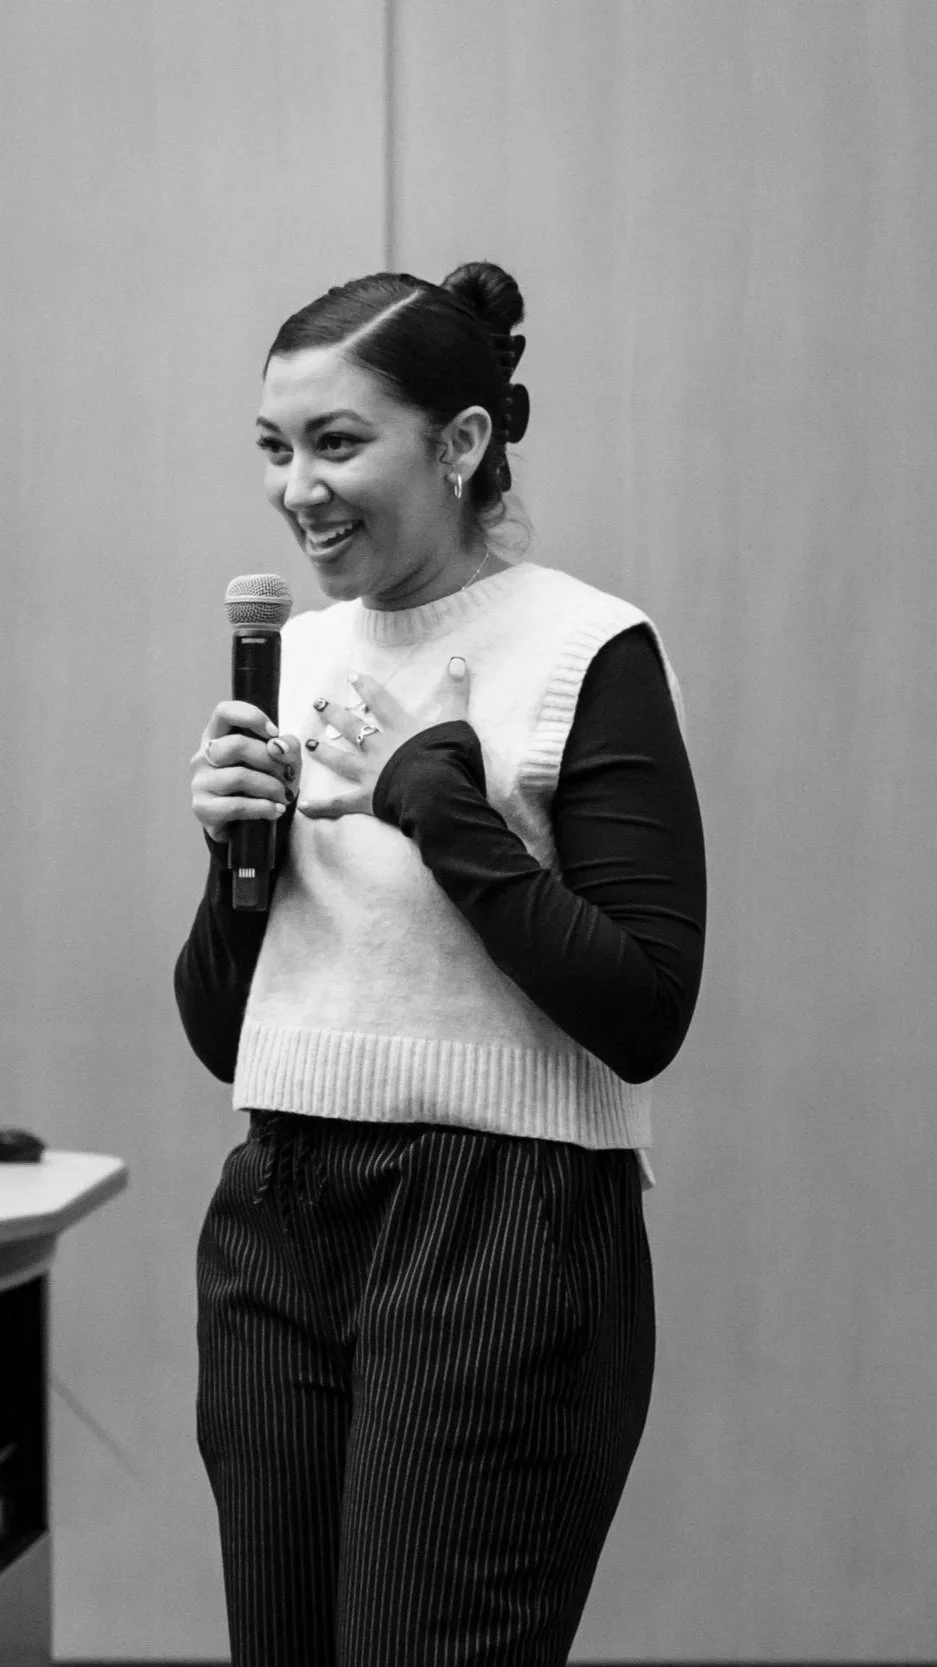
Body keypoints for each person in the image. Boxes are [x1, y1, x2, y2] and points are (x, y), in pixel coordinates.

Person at [174, 260, 706, 1667]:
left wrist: (437, 799)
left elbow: (646, 1007)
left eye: (339, 442)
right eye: (278, 450)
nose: (299, 488)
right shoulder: (285, 658)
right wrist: (236, 866)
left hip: (504, 1228)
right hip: (282, 1209)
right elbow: (230, 1031)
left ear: (462, 443)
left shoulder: (586, 647)